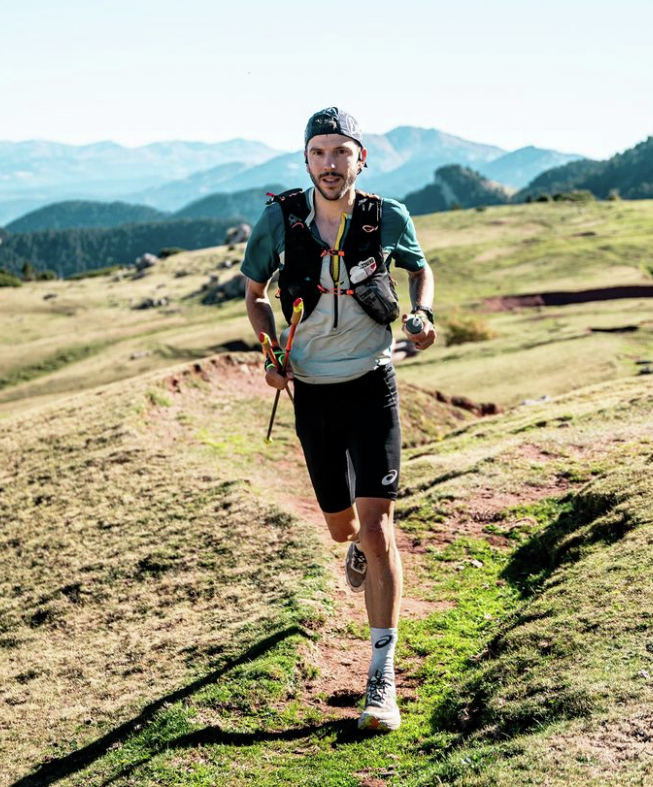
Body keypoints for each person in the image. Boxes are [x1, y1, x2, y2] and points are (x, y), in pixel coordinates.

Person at [242, 107, 436, 732]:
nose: (331, 163)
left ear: (361, 159)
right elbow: (255, 294)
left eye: (341, 152)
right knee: (342, 528)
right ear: (306, 160)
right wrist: (272, 353)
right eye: (319, 152)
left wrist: (421, 312)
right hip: (314, 396)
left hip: (373, 382)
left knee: (380, 531)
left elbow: (418, 267)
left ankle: (380, 679)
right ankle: (350, 543)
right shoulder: (280, 219)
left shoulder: (386, 216)